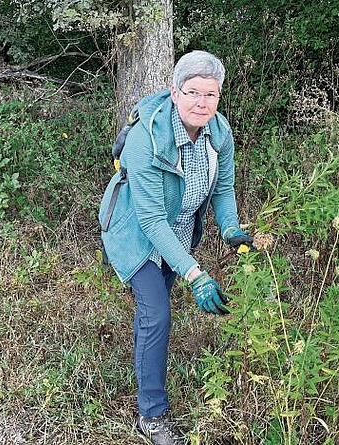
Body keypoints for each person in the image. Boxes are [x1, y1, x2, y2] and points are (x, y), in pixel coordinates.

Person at [98, 50, 253, 445]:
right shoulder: (145, 138)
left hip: (179, 231)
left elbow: (223, 188)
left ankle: (144, 356)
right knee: (158, 312)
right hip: (135, 231)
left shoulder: (219, 133)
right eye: (193, 93)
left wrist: (231, 226)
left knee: (154, 313)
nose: (202, 103)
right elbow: (151, 220)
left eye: (212, 95)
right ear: (174, 92)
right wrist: (196, 274)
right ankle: (152, 416)